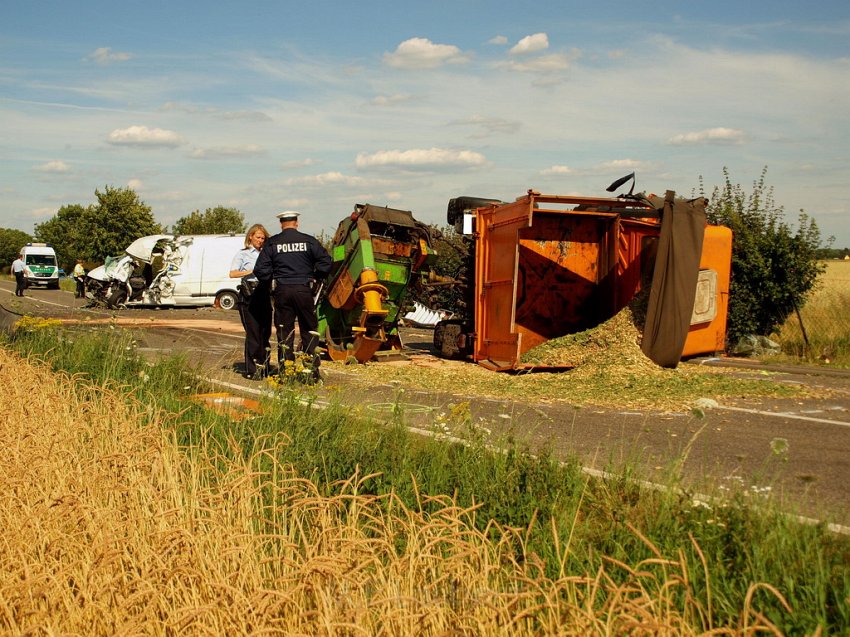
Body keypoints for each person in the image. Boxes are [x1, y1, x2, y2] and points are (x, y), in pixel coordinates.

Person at [254, 211, 332, 381]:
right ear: (296, 223)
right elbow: (326, 263)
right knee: (309, 331)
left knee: (285, 333)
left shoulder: (273, 243)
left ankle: (286, 374)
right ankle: (311, 374)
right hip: (304, 290)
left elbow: (260, 270)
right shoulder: (309, 241)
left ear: (281, 224)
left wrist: (271, 279)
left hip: (282, 290)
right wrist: (316, 276)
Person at [230, 224, 273, 379]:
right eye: (258, 237)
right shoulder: (244, 254)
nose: (260, 240)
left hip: (264, 294)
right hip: (249, 294)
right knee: (253, 333)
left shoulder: (267, 254)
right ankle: (252, 369)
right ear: (251, 237)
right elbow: (232, 273)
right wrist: (252, 271)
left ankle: (265, 366)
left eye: (263, 238)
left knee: (265, 333)